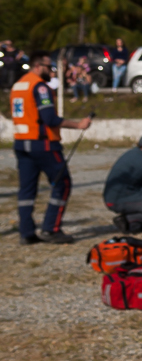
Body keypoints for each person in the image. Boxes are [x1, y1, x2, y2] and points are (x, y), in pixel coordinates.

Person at [10, 51, 93, 244]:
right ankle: (51, 228)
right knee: (62, 184)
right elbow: (50, 119)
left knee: (26, 190)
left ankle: (26, 233)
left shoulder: (18, 85)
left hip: (22, 143)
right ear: (38, 66)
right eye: (49, 67)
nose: (52, 71)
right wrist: (78, 125)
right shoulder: (40, 88)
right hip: (43, 144)